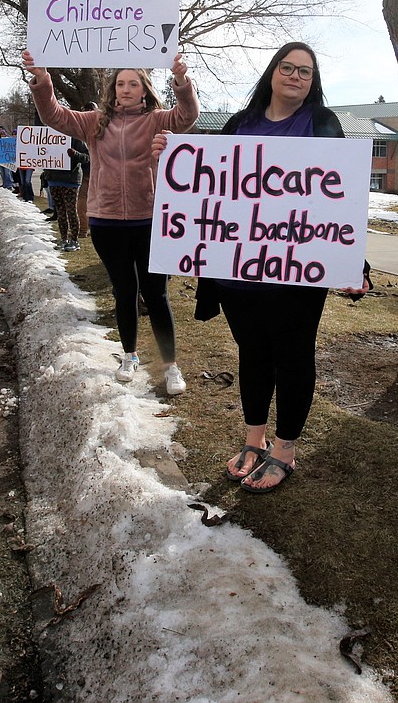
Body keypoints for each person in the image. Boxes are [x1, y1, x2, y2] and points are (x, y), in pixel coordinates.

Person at [154, 42, 371, 493]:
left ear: (313, 82)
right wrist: (170, 155)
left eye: (305, 72)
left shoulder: (323, 124)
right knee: (252, 352)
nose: (295, 76)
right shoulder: (239, 123)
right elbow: (209, 184)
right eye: (287, 68)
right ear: (272, 73)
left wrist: (353, 261)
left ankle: (285, 449)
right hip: (239, 273)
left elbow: (339, 198)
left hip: (296, 271)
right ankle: (254, 439)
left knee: (293, 357)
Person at [22, 50, 198, 393]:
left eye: (134, 83)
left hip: (149, 220)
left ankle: (170, 366)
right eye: (121, 83)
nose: (126, 89)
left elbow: (187, 116)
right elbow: (54, 116)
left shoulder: (157, 119)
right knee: (124, 292)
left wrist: (181, 82)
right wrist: (43, 79)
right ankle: (130, 355)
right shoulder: (94, 121)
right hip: (106, 222)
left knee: (156, 294)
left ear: (145, 89)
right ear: (113, 89)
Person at [44, 137, 86, 251]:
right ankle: (64, 239)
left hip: (70, 180)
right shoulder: (48, 136)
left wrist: (75, 154)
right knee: (60, 211)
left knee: (71, 210)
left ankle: (74, 240)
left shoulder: (75, 137)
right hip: (53, 179)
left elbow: (87, 157)